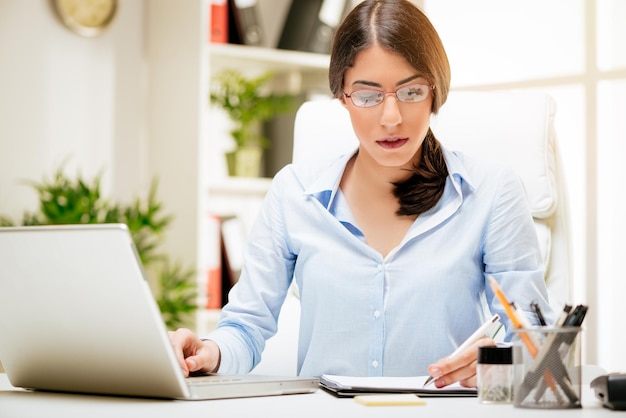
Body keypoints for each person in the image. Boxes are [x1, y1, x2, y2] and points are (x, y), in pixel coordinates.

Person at [170, 0, 554, 388]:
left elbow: (539, 342)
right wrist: (209, 352)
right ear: (341, 96)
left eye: (411, 92)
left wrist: (498, 361)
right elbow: (246, 325)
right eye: (368, 96)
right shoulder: (295, 193)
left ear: (436, 92)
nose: (391, 117)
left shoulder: (492, 193)